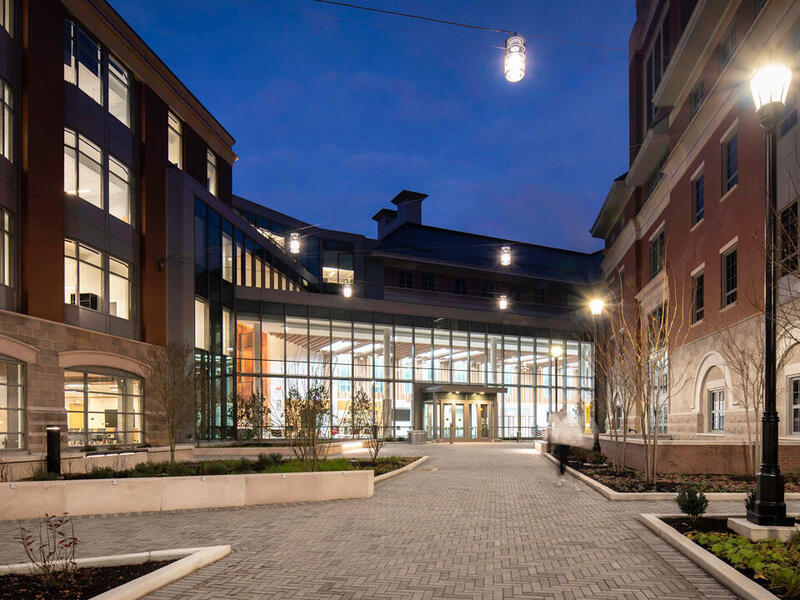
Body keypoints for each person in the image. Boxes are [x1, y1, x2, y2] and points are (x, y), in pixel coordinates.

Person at [550, 407, 574, 487]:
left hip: (566, 443)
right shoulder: (559, 423)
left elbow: (570, 432)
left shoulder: (566, 422)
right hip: (560, 443)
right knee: (561, 460)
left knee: (564, 460)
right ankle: (561, 476)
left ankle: (562, 475)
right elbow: (556, 432)